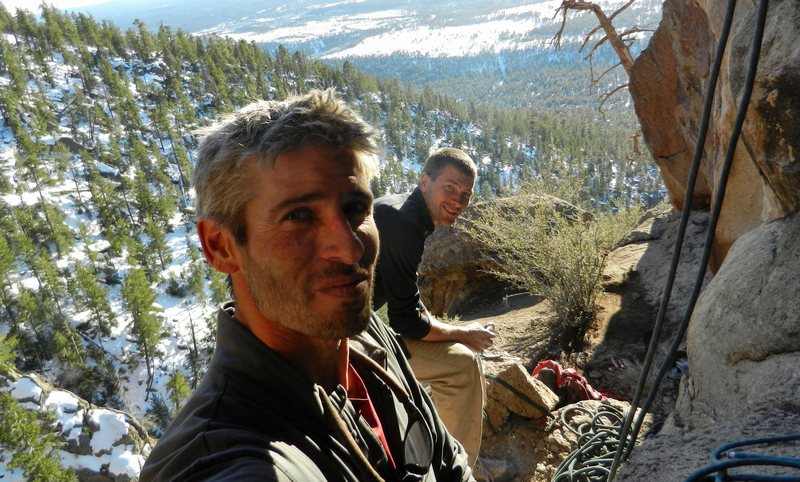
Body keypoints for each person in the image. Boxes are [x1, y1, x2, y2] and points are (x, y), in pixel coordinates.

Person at [140, 90, 474, 481]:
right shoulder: (230, 452)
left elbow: (447, 460)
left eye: (355, 208)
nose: (349, 249)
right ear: (220, 246)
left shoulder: (367, 339)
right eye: (299, 216)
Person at [372, 147, 496, 467]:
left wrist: (450, 330)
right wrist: (463, 333)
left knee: (453, 352)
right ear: (425, 181)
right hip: (334, 339)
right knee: (461, 364)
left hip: (351, 325)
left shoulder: (398, 210)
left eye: (466, 194)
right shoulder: (403, 224)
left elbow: (407, 302)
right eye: (450, 188)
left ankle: (438, 451)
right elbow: (407, 321)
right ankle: (456, 470)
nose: (458, 201)